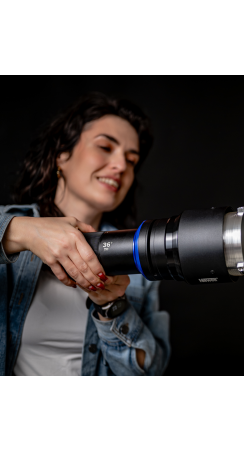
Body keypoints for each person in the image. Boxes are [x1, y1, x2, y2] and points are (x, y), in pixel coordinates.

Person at [0, 92, 170, 376]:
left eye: (131, 160)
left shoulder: (140, 261)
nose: (121, 166)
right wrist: (22, 231)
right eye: (105, 147)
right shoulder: (12, 228)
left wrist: (113, 306)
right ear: (62, 154)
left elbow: (151, 374)